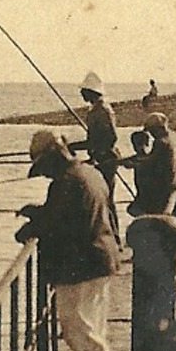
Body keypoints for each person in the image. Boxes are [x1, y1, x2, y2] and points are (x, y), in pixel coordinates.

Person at [15, 130, 133, 351]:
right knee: (91, 327)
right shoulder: (90, 173)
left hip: (83, 266)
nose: (45, 174)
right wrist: (39, 211)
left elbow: (56, 225)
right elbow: (69, 213)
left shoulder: (65, 183)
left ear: (53, 158)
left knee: (75, 328)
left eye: (44, 168)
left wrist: (30, 227)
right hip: (103, 258)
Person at [70, 71, 120, 236]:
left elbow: (111, 137)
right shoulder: (95, 110)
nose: (81, 93)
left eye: (83, 91)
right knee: (102, 199)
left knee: (106, 200)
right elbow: (93, 139)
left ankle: (115, 237)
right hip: (100, 159)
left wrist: (97, 154)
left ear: (91, 92)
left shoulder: (103, 110)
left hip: (105, 160)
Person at [124, 112, 176, 217]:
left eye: (152, 130)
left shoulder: (161, 143)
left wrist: (134, 165)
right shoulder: (171, 140)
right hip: (171, 184)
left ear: (158, 128)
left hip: (163, 188)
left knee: (135, 209)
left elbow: (151, 163)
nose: (152, 134)